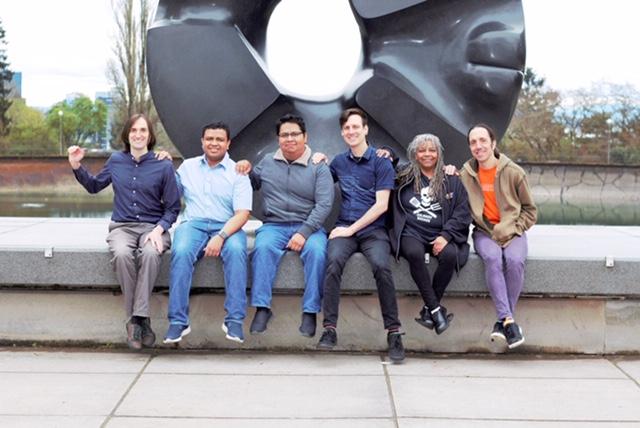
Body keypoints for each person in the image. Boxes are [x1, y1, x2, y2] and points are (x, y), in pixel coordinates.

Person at [68, 113, 181, 350]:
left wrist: (159, 229)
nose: (138, 135)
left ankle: (134, 321)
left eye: (143, 131)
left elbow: (173, 207)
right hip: (122, 227)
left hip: (153, 227)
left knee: (150, 254)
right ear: (127, 135)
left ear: (150, 136)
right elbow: (94, 186)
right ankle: (142, 320)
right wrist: (76, 165)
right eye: (133, 131)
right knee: (121, 254)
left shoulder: (163, 165)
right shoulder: (116, 160)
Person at [316, 107, 405, 363]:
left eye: (356, 127)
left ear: (365, 129)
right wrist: (318, 159)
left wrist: (350, 230)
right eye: (347, 128)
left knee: (381, 266)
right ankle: (330, 329)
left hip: (373, 231)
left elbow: (381, 206)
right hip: (345, 227)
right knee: (332, 263)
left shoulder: (381, 161)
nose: (351, 131)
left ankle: (394, 333)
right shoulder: (339, 162)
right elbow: (320, 183)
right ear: (343, 133)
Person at [236, 114, 334, 338]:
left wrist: (303, 233)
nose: (290, 138)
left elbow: (325, 204)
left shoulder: (318, 166)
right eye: (284, 135)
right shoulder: (269, 161)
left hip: (309, 226)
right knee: (261, 249)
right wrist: (246, 168)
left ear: (305, 137)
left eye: (294, 134)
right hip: (275, 225)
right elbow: (253, 182)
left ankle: (310, 311)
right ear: (278, 138)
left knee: (318, 253)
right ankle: (262, 308)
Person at [163, 122, 252, 344]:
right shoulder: (187, 167)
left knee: (237, 251)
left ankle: (234, 320)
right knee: (181, 251)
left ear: (228, 143)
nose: (214, 143)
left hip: (228, 225)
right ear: (202, 141)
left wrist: (220, 237)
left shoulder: (238, 171)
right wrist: (164, 166)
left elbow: (243, 214)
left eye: (219, 139)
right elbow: (169, 194)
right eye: (209, 139)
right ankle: (178, 322)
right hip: (193, 224)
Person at [459, 123, 537, 349]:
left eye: (483, 140)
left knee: (514, 261)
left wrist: (515, 228)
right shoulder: (466, 174)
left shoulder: (514, 172)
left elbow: (530, 211)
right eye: (473, 142)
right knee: (493, 259)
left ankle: (503, 321)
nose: (478, 146)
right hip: (484, 232)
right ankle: (509, 322)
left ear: (493, 143)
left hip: (513, 230)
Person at [388, 134, 471, 335]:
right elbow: (385, 165)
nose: (427, 154)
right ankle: (435, 310)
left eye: (432, 150)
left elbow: (463, 212)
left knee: (450, 255)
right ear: (415, 154)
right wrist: (388, 152)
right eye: (422, 150)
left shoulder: (451, 178)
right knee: (415, 254)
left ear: (439, 153)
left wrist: (445, 236)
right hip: (411, 233)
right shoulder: (404, 175)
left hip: (439, 233)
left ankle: (428, 311)